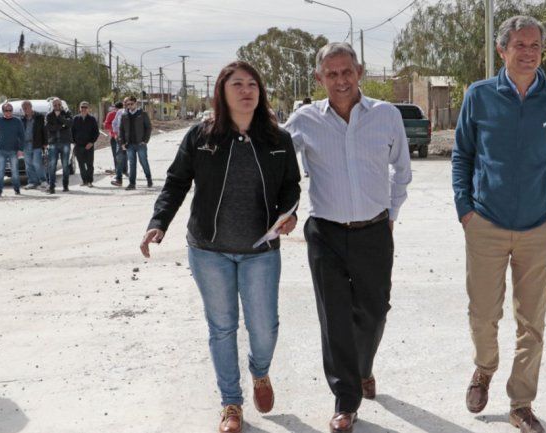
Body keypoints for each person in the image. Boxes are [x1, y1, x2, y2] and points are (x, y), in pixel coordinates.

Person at [140, 61, 301, 433]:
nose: (247, 91)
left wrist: (287, 214)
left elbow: (291, 186)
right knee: (222, 327)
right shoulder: (201, 136)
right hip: (209, 250)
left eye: (253, 85)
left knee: (264, 328)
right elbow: (176, 182)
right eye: (238, 84)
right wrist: (158, 223)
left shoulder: (278, 139)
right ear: (222, 92)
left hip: (260, 251)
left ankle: (260, 371)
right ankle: (231, 402)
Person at [451, 16, 546, 433]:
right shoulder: (480, 95)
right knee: (483, 314)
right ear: (502, 50)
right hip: (484, 223)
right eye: (519, 45)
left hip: (539, 228)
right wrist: (465, 210)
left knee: (532, 322)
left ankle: (521, 403)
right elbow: (462, 155)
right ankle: (484, 369)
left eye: (535, 44)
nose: (528, 52)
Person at [284, 42, 412, 433]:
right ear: (320, 78)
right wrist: (284, 208)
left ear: (359, 72)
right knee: (335, 317)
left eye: (347, 72)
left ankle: (363, 368)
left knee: (374, 312)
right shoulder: (304, 119)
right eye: (331, 74)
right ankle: (346, 399)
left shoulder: (386, 115)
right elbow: (276, 163)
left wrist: (390, 213)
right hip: (325, 233)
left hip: (374, 231)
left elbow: (401, 170)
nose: (341, 81)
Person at [0, 102, 24, 197]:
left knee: (15, 171)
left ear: (12, 111)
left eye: (10, 110)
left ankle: (17, 189)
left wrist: (21, 149)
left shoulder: (17, 121)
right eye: (6, 110)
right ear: (3, 111)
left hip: (13, 150)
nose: (8, 112)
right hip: (1, 150)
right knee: (0, 171)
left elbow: (22, 136)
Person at [118, 95, 153, 189]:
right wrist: (122, 143)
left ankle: (149, 178)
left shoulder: (142, 114)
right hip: (129, 144)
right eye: (128, 104)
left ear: (135, 103)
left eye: (131, 104)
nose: (129, 106)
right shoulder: (124, 115)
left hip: (140, 144)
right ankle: (132, 184)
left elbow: (148, 128)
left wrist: (145, 141)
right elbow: (121, 130)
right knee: (132, 164)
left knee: (143, 162)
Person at [45, 98, 73, 194]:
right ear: (52, 106)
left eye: (58, 104)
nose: (57, 106)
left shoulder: (67, 113)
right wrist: (62, 126)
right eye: (55, 105)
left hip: (65, 142)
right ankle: (51, 186)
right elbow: (48, 127)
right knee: (52, 165)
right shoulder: (49, 115)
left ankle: (65, 185)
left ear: (61, 105)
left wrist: (60, 117)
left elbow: (70, 123)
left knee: (65, 165)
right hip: (53, 143)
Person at [20, 100, 48, 189]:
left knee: (37, 163)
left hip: (37, 144)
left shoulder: (39, 117)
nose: (25, 109)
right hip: (25, 144)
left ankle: (43, 181)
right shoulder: (22, 119)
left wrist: (45, 143)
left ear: (31, 107)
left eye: (26, 107)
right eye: (23, 108)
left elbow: (44, 130)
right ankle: (32, 182)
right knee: (28, 164)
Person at [71, 101, 99, 187]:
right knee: (81, 164)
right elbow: (72, 132)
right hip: (78, 146)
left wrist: (91, 142)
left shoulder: (92, 119)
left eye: (85, 107)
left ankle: (90, 181)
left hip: (89, 145)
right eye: (82, 107)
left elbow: (96, 132)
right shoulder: (75, 119)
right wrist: (74, 142)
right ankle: (84, 181)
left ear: (88, 109)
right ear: (80, 108)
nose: (83, 109)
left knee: (89, 164)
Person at [103, 101, 127, 179]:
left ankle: (125, 170)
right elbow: (106, 125)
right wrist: (114, 129)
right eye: (116, 109)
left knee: (125, 155)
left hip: (124, 138)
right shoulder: (111, 114)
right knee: (116, 155)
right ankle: (118, 171)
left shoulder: (125, 113)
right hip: (114, 138)